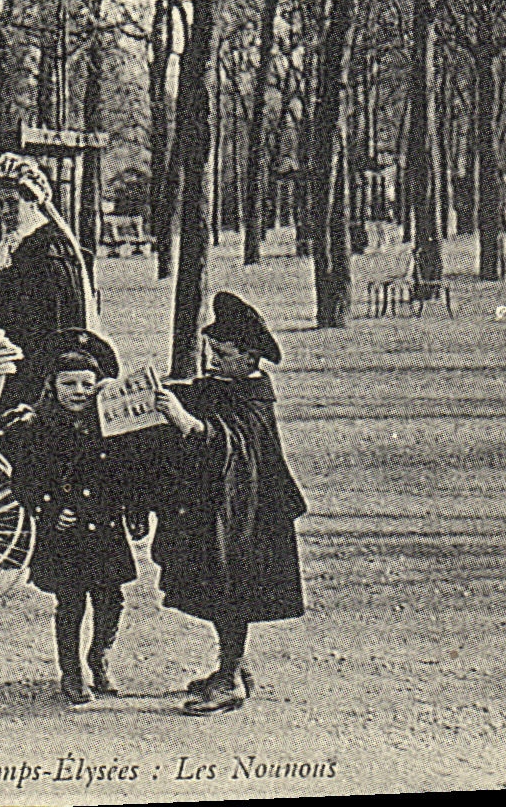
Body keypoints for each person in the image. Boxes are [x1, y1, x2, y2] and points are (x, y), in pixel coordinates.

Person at [151, 292, 308, 717]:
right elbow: (198, 394)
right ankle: (231, 665)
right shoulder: (227, 386)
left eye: (222, 353)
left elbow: (233, 442)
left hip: (247, 513)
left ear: (249, 356)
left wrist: (187, 422)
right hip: (221, 506)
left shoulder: (255, 396)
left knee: (231, 588)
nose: (213, 360)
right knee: (217, 587)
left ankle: (231, 679)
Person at [0, 330, 149, 706]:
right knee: (71, 602)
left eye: (87, 383)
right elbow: (24, 479)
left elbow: (129, 472)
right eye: (69, 384)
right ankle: (71, 671)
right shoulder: (36, 427)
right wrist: (49, 508)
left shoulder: (112, 425)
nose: (79, 391)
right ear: (52, 385)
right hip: (66, 532)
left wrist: (135, 510)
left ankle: (98, 657)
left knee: (111, 599)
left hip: (105, 525)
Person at [0, 162, 86, 410]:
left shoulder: (51, 247)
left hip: (40, 358)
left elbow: (65, 313)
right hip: (11, 354)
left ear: (32, 201)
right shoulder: (11, 246)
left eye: (11, 202)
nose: (4, 211)